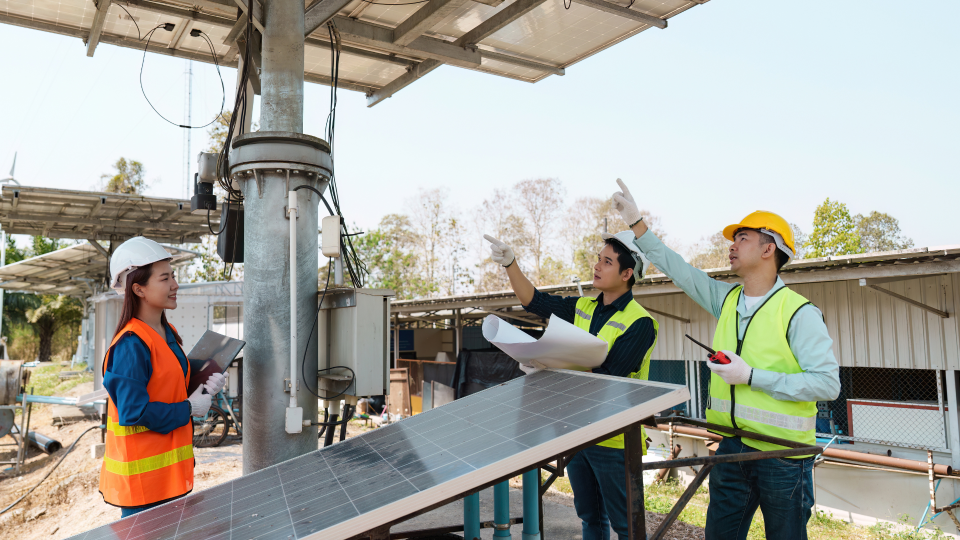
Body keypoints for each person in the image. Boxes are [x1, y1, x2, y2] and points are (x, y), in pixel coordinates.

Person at [610, 179, 841, 540]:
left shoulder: (798, 312)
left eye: (742, 238)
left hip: (783, 456)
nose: (732, 246)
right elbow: (679, 269)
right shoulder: (727, 299)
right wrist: (638, 225)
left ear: (769, 248)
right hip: (731, 445)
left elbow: (827, 384)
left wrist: (751, 376)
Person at [483, 231, 658, 540]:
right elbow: (533, 301)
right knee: (590, 518)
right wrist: (511, 263)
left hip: (615, 439)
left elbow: (608, 374)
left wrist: (548, 362)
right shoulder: (583, 307)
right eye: (598, 259)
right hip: (578, 431)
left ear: (627, 273)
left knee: (627, 526)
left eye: (607, 262)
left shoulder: (640, 322)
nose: (597, 266)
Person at [99, 237, 226, 518]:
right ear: (139, 289)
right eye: (165, 278)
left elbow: (169, 382)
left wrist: (206, 381)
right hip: (143, 489)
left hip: (170, 479)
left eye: (174, 276)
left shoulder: (167, 334)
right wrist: (190, 409)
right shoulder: (130, 345)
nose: (175, 285)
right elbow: (134, 411)